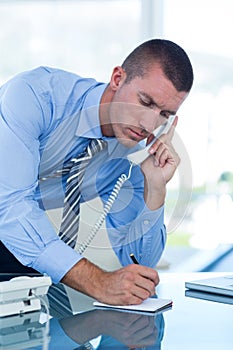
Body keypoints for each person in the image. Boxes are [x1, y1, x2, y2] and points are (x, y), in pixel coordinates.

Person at [0, 39, 193, 305]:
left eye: (165, 114)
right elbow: (9, 205)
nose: (149, 123)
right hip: (13, 225)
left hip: (22, 257)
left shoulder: (130, 154)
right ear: (117, 78)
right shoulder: (35, 96)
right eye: (145, 102)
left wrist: (156, 187)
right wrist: (97, 281)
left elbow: (141, 264)